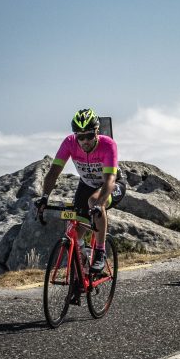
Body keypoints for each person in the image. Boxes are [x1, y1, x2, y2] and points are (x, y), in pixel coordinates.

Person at [35, 108, 126, 276]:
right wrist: (44, 198)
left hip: (112, 184)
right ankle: (82, 275)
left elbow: (109, 180)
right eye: (80, 137)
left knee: (94, 202)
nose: (84, 141)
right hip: (86, 185)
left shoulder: (108, 144)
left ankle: (100, 251)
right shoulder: (69, 142)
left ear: (97, 132)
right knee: (75, 235)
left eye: (89, 136)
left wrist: (99, 204)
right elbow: (54, 172)